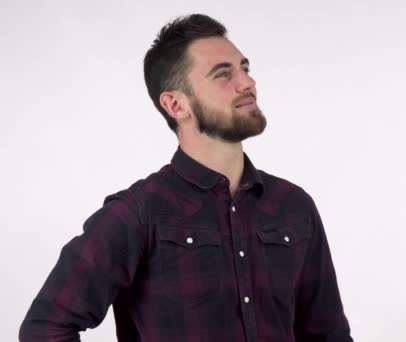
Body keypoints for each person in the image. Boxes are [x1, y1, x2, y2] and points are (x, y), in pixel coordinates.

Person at [19, 14, 353, 342]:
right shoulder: (138, 213)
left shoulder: (293, 206)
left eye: (245, 68)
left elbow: (328, 334)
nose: (247, 83)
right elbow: (46, 327)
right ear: (176, 104)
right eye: (223, 74)